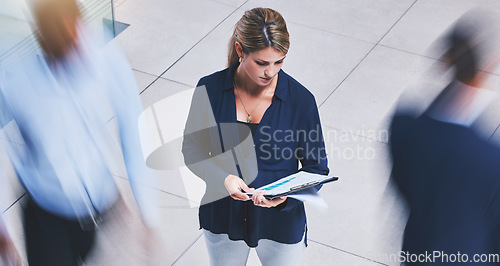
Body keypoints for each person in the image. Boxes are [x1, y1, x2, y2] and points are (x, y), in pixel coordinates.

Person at [0, 0, 158, 265]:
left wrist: (146, 209)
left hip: (100, 203)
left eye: (75, 34)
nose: (74, 48)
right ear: (41, 36)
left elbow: (132, 125)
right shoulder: (17, 79)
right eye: (60, 41)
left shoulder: (103, 54)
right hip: (47, 215)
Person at [182, 7, 329, 266]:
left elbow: (316, 170)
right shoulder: (210, 89)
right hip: (222, 218)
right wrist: (223, 178)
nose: (270, 72)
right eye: (262, 63)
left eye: (279, 62)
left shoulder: (301, 101)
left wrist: (286, 197)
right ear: (240, 51)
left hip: (281, 224)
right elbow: (192, 150)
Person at [389, 10, 500, 264]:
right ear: (485, 68)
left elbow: (402, 186)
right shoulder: (492, 159)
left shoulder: (403, 125)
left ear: (446, 60)